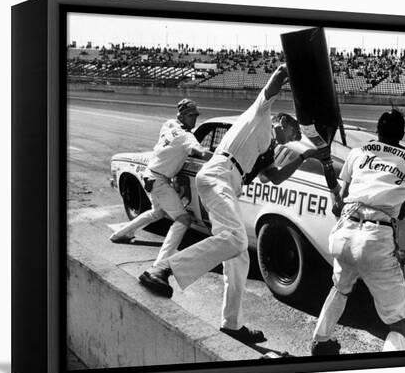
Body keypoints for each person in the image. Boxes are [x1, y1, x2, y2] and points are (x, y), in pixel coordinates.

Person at [138, 64, 327, 344]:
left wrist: (303, 157)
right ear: (283, 123)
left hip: (227, 183)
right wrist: (297, 72)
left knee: (239, 256)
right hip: (219, 174)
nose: (292, 140)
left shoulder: (267, 151)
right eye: (293, 134)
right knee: (237, 240)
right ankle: (164, 269)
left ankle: (231, 323)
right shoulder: (260, 115)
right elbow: (278, 74)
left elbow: (274, 178)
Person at [310, 108, 405, 355]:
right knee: (400, 322)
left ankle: (321, 341)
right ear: (402, 134)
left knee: (340, 288)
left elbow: (339, 201)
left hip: (343, 233)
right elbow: (403, 211)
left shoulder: (357, 153)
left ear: (377, 131)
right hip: (375, 238)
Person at [110, 98, 211, 267]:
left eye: (196, 115)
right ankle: (161, 263)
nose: (195, 119)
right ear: (184, 116)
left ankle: (120, 234)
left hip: (151, 175)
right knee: (183, 219)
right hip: (159, 180)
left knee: (157, 213)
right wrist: (222, 158)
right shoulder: (187, 137)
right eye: (192, 115)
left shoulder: (169, 124)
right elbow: (199, 151)